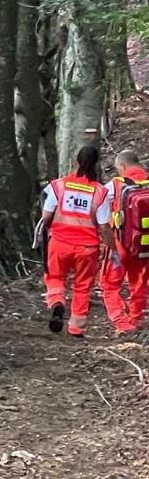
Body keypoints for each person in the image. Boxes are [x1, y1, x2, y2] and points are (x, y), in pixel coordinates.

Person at [42, 144, 114, 337]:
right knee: (83, 286)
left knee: (55, 277)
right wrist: (113, 248)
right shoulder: (100, 192)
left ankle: (56, 302)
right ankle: (76, 327)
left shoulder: (58, 185)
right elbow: (105, 226)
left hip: (59, 243)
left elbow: (46, 215)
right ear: (96, 164)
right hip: (87, 248)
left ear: (76, 162)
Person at [100, 148, 149, 334]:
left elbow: (98, 208)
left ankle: (122, 324)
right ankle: (136, 319)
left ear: (122, 166)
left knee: (109, 285)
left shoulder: (116, 185)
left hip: (120, 245)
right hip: (144, 244)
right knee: (140, 284)